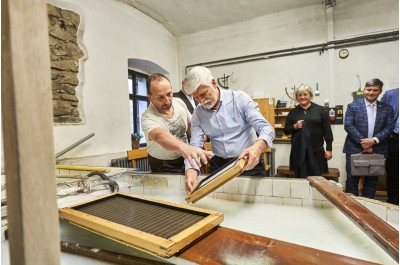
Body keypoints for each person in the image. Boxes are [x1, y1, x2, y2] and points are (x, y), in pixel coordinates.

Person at [183, 66, 275, 193]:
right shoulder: (198, 113)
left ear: (213, 83)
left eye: (203, 94)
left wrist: (257, 148)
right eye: (196, 97)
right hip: (219, 167)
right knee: (222, 205)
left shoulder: (239, 99)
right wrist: (191, 171)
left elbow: (267, 128)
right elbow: (195, 146)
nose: (202, 101)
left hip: (248, 163)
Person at [141, 73, 213, 173]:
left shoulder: (179, 102)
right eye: (160, 97)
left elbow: (190, 126)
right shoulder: (148, 117)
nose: (167, 101)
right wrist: (185, 148)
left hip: (186, 157)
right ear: (150, 97)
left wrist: (200, 138)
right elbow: (160, 136)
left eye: (169, 94)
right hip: (165, 165)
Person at [343, 78, 394, 199]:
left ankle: (368, 208)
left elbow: (389, 127)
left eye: (375, 90)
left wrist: (374, 140)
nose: (371, 92)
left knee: (372, 182)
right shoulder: (353, 106)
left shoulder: (387, 108)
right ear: (364, 90)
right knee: (352, 180)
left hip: (377, 149)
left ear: (380, 91)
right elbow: (348, 125)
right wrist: (364, 142)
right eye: (368, 89)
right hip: (355, 148)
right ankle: (352, 208)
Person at [283, 85, 333, 178]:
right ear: (297, 97)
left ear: (310, 95)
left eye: (305, 94)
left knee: (318, 180)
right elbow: (286, 131)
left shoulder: (321, 110)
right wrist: (295, 126)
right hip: (299, 153)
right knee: (300, 179)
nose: (302, 97)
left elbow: (327, 131)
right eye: (299, 95)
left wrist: (329, 149)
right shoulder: (293, 112)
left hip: (317, 151)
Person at [380, 87, 399, 205]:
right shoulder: (390, 95)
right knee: (393, 173)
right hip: (395, 138)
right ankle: (393, 203)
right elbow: (381, 115)